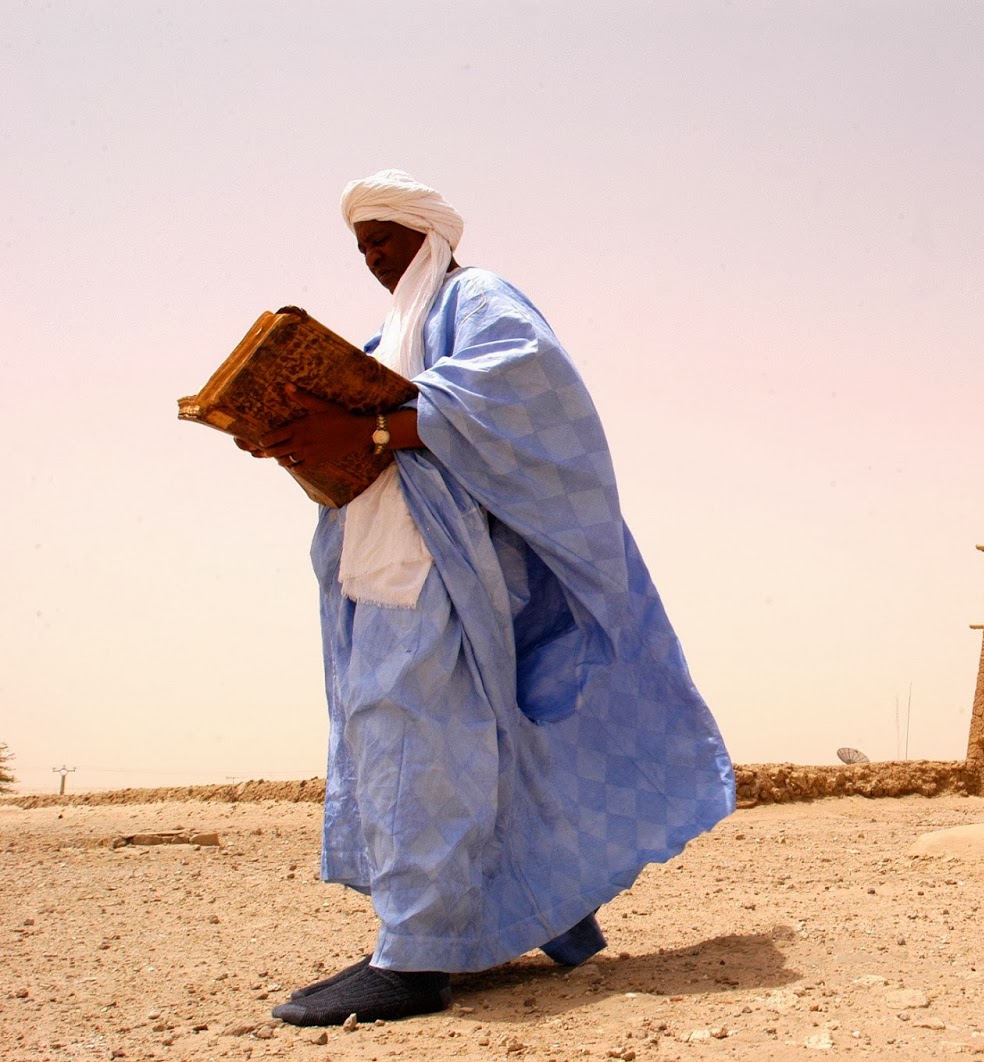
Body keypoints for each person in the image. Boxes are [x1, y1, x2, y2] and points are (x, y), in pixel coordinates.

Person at [239, 170, 735, 1026]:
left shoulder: (478, 298)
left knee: (413, 740)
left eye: (385, 240)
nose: (374, 259)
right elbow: (377, 431)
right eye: (362, 248)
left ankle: (415, 959)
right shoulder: (386, 335)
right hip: (381, 563)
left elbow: (528, 391)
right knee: (464, 742)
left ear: (429, 234)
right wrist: (291, 437)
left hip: (446, 570)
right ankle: (544, 908)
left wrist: (370, 427)